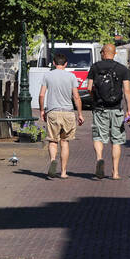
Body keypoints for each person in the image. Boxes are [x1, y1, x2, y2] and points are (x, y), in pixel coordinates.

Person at [37, 51, 84, 179]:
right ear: (66, 64)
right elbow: (76, 97)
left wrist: (42, 110)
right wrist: (80, 113)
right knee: (65, 142)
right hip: (68, 112)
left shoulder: (47, 76)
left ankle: (53, 160)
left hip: (53, 111)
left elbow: (41, 95)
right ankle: (63, 172)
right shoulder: (71, 77)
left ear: (53, 63)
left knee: (53, 140)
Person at [88, 43, 130, 179]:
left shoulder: (95, 67)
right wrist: (129, 110)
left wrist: (94, 99)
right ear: (115, 53)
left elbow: (89, 88)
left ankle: (100, 158)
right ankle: (116, 172)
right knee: (116, 140)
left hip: (100, 109)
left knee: (98, 137)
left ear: (103, 53)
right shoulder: (123, 69)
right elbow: (127, 91)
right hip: (116, 109)